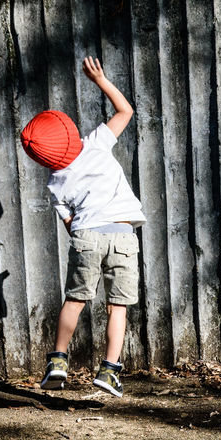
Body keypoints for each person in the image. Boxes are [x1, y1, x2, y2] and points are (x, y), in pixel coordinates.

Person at [19, 57, 144, 397]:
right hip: (120, 233)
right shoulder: (96, 143)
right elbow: (125, 111)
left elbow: (70, 223)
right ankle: (109, 370)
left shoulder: (55, 180)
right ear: (69, 131)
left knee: (75, 300)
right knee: (117, 306)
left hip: (86, 235)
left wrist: (84, 239)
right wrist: (100, 80)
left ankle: (58, 361)